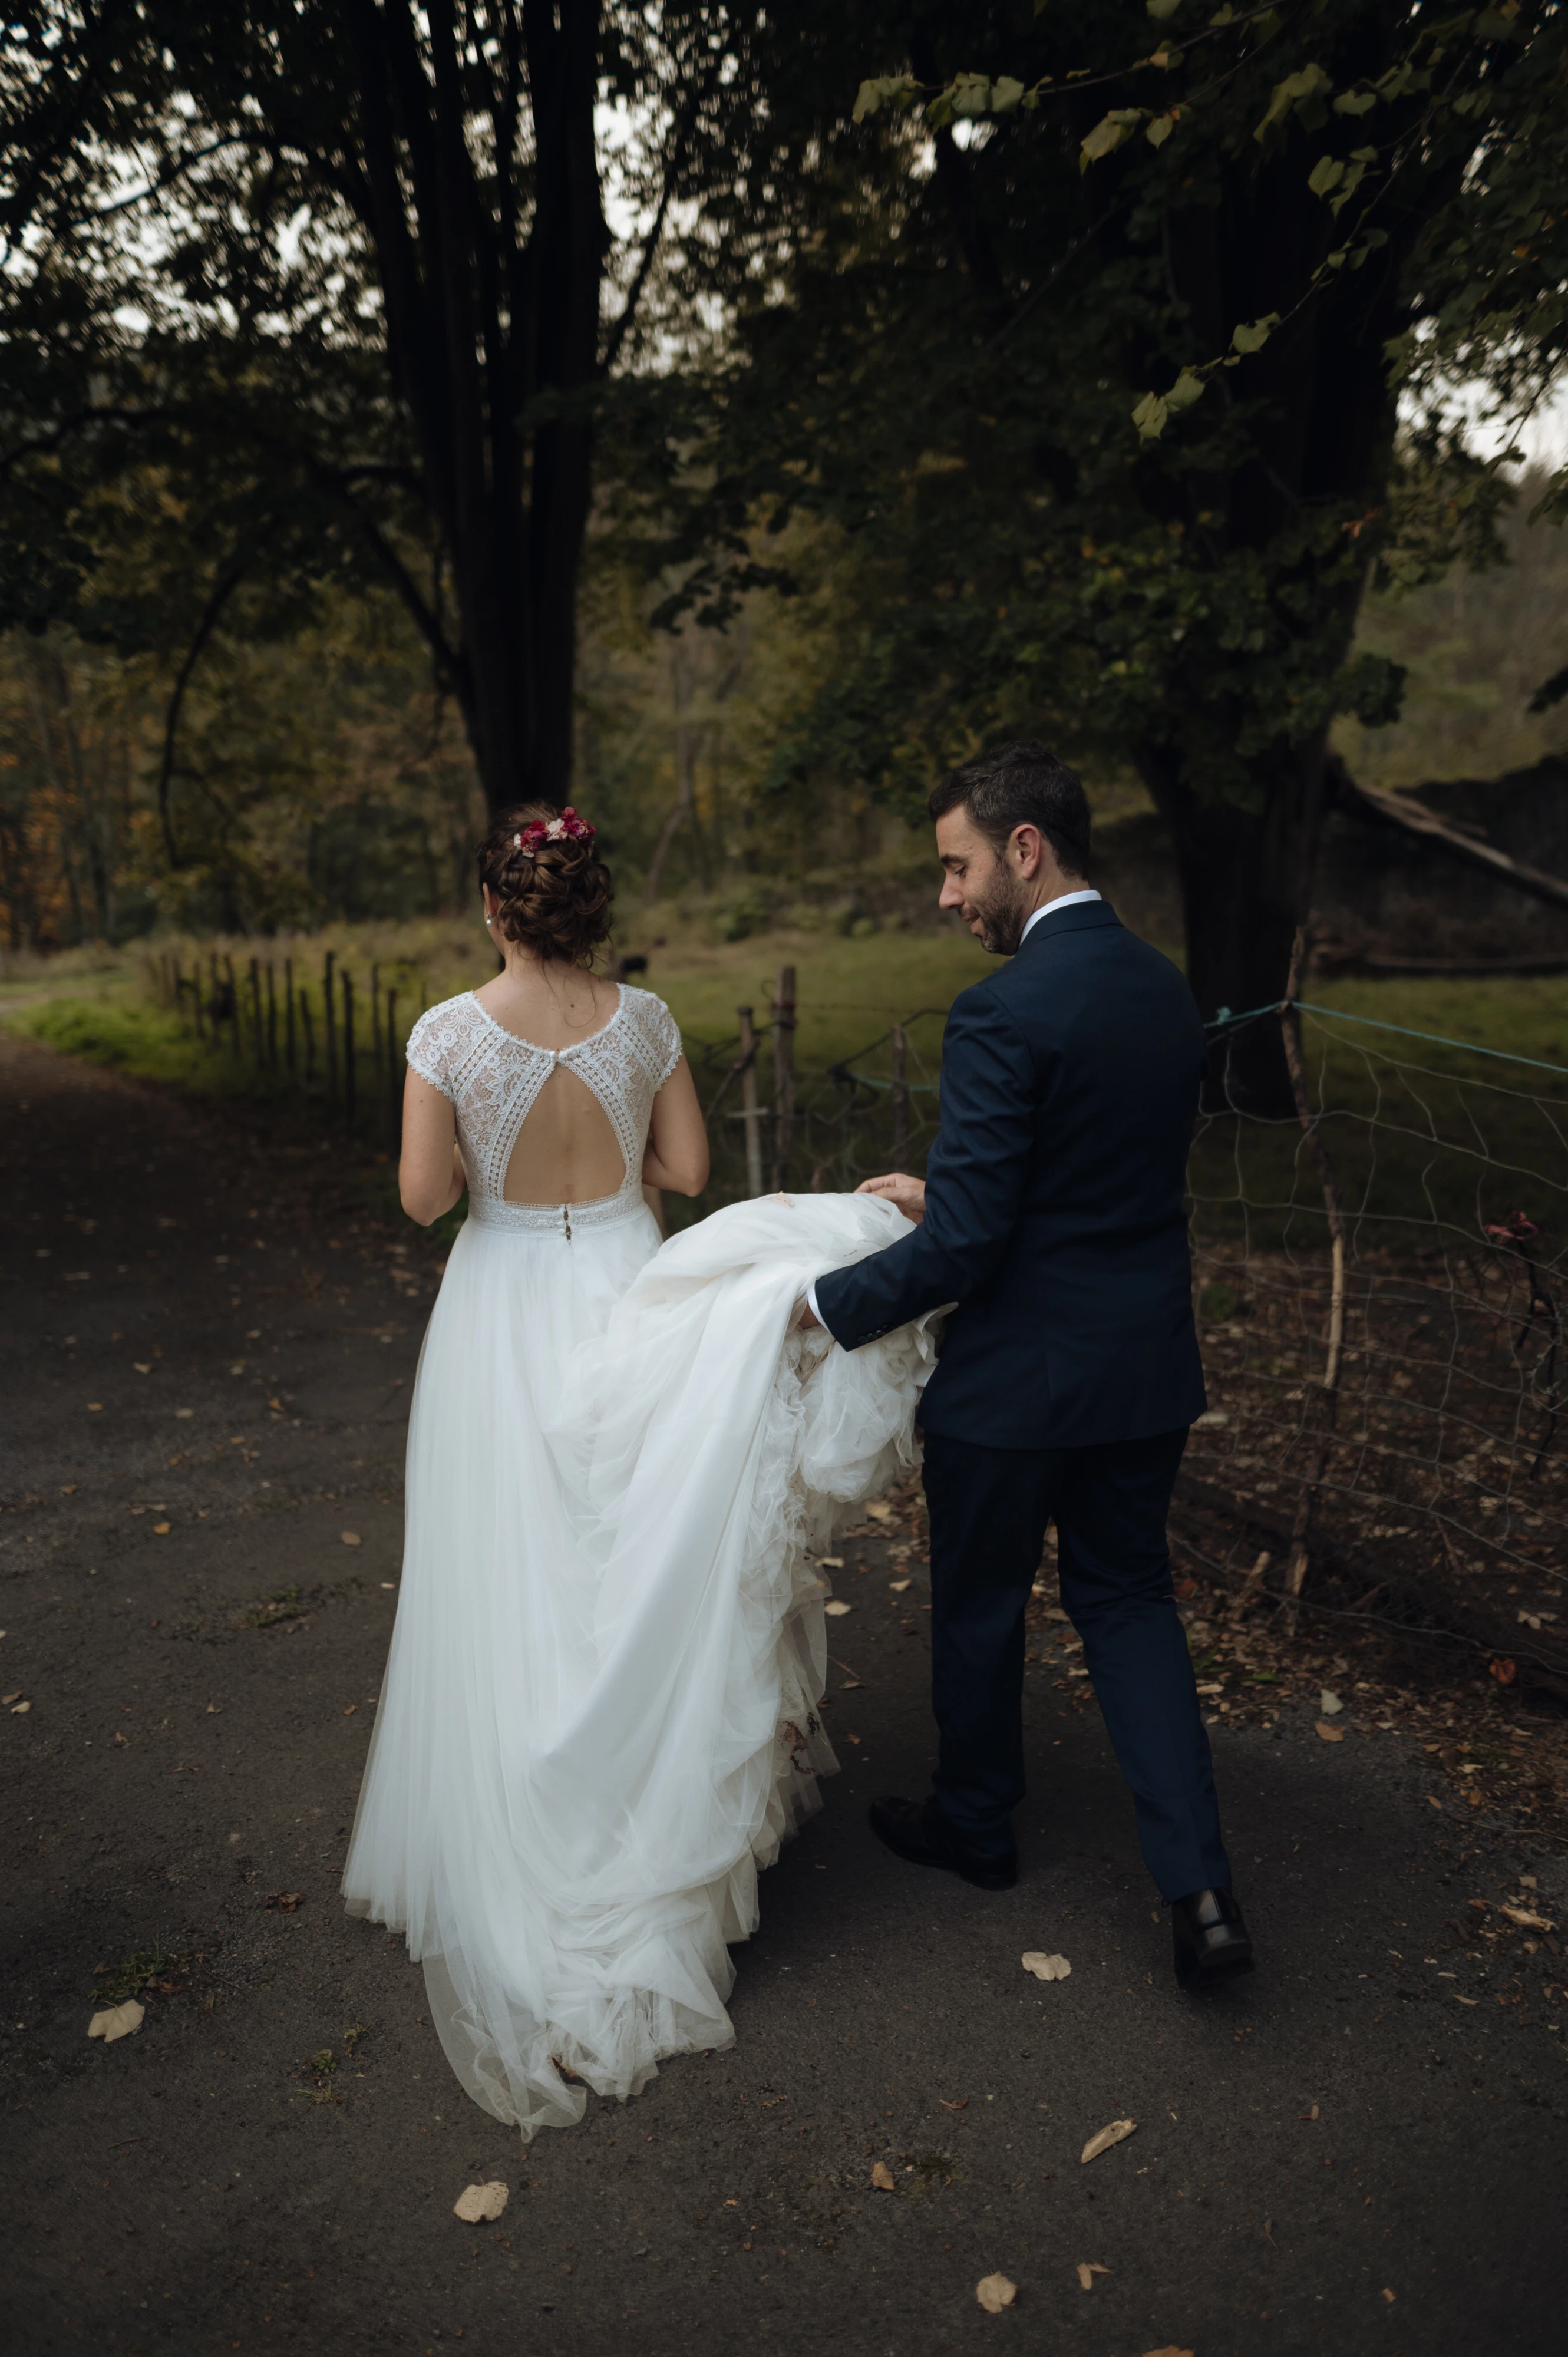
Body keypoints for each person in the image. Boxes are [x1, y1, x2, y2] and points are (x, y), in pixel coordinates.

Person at [342, 803, 936, 2137]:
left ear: (496, 906)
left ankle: (528, 1819)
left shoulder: (446, 1034)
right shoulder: (648, 1021)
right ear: (588, 904)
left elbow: (424, 1200)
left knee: (513, 1570)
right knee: (631, 1561)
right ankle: (634, 1812)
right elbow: (686, 1169)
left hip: (498, 1306)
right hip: (626, 1284)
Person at [803, 740, 1254, 1992]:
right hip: (1143, 1366)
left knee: (982, 1602)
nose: (945, 896)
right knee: (1128, 1602)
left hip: (1013, 1386)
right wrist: (949, 1181)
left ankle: (977, 1825)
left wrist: (815, 1304)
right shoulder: (1164, 990)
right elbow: (1086, 1173)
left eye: (954, 867)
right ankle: (1202, 1890)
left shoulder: (1002, 1008)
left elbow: (966, 1248)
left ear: (1023, 847)